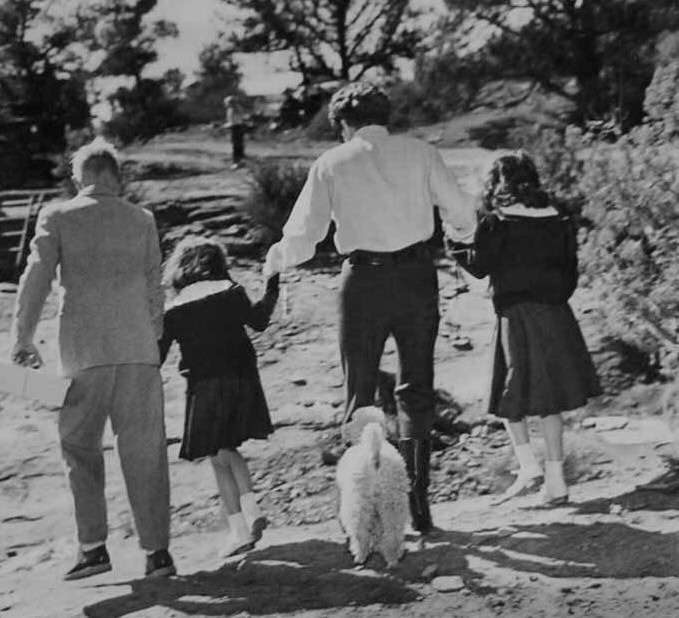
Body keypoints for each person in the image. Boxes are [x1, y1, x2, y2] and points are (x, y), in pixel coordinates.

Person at [264, 82, 478, 536]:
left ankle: (364, 513)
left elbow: (306, 233)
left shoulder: (332, 163)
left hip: (362, 280)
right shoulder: (420, 152)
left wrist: (275, 262)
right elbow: (461, 212)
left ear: (343, 123)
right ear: (385, 116)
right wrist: (464, 236)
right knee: (417, 389)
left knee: (359, 392)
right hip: (417, 275)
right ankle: (418, 502)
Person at [9, 138, 175, 580]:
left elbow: (36, 278)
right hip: (138, 350)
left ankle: (93, 548)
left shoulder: (57, 215)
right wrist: (152, 337)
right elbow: (154, 284)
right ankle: (158, 554)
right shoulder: (142, 218)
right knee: (146, 452)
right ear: (115, 177)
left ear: (78, 176)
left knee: (79, 447)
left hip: (83, 353)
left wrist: (21, 337)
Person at [452, 151, 601, 506]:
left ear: (496, 183)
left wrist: (453, 243)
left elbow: (479, 268)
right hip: (556, 314)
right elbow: (570, 277)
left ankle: (528, 466)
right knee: (549, 402)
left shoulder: (496, 222)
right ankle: (555, 481)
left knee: (509, 397)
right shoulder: (560, 220)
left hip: (515, 317)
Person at [160, 236, 279, 556]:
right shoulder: (232, 292)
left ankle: (248, 517)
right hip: (243, 380)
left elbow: (156, 356)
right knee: (222, 453)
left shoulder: (174, 310)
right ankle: (241, 526)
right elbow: (259, 321)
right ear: (218, 264)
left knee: (221, 452)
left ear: (180, 269)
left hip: (205, 387)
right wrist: (273, 285)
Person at [224, 95, 247, 169]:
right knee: (238, 144)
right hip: (237, 127)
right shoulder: (234, 108)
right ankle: (240, 160)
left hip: (237, 128)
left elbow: (236, 120)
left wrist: (228, 125)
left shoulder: (235, 109)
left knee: (237, 145)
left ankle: (237, 162)